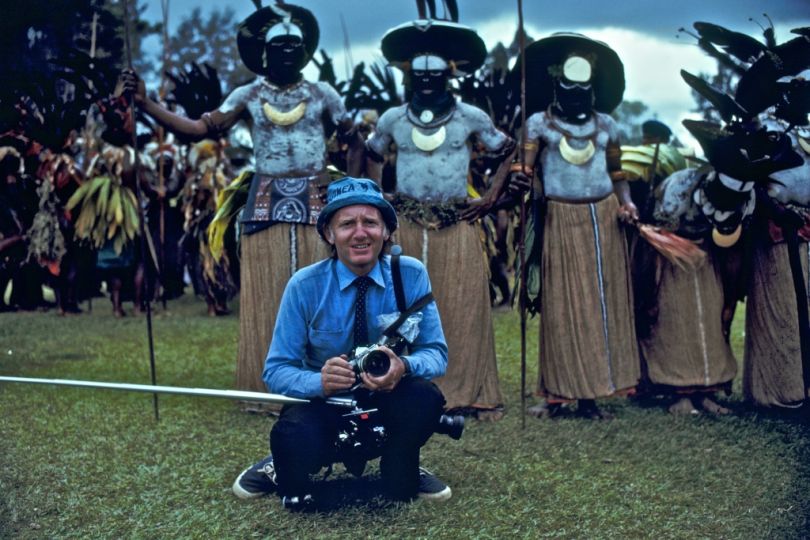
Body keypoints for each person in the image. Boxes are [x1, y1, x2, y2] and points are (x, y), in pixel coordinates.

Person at [117, 3, 361, 394]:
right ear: (263, 53)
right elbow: (199, 129)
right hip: (265, 200)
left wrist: (356, 190)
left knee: (326, 289)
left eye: (292, 45)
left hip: (319, 199)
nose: (285, 52)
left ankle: (331, 378)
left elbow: (354, 140)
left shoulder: (322, 94)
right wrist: (145, 104)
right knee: (268, 291)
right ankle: (271, 380)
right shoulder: (248, 94)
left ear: (305, 52)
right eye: (277, 45)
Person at [232, 177, 451, 510]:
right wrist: (319, 381)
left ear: (387, 232)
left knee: (424, 399)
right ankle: (282, 466)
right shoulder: (304, 286)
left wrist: (402, 366)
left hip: (385, 396)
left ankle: (401, 464)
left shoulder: (410, 274)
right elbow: (276, 370)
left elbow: (436, 353)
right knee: (294, 437)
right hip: (324, 403)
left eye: (371, 223)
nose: (360, 233)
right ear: (329, 234)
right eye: (347, 223)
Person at [365, 18, 514, 418]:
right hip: (408, 221)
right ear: (410, 77)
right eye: (420, 75)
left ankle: (465, 392)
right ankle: (400, 386)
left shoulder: (470, 117)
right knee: (402, 308)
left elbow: (509, 152)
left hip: (457, 220)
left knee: (463, 304)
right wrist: (377, 197)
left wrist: (489, 198)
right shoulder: (393, 118)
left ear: (450, 74)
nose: (427, 82)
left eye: (435, 75)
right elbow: (370, 155)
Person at [515, 33, 640, 419]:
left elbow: (618, 175)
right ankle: (557, 393)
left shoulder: (607, 125)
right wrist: (523, 180)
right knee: (561, 305)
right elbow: (525, 172)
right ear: (555, 84)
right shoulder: (538, 124)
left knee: (601, 305)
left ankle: (593, 392)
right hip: (558, 219)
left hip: (603, 219)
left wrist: (628, 203)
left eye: (583, 90)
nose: (575, 96)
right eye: (568, 88)